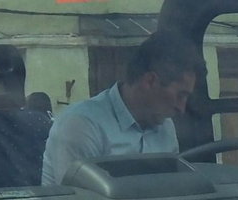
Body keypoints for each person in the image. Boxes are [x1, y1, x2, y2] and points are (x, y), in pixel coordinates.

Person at [41, 34, 204, 186]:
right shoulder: (82, 125)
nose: (181, 108)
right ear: (150, 81)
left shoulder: (165, 127)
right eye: (180, 95)